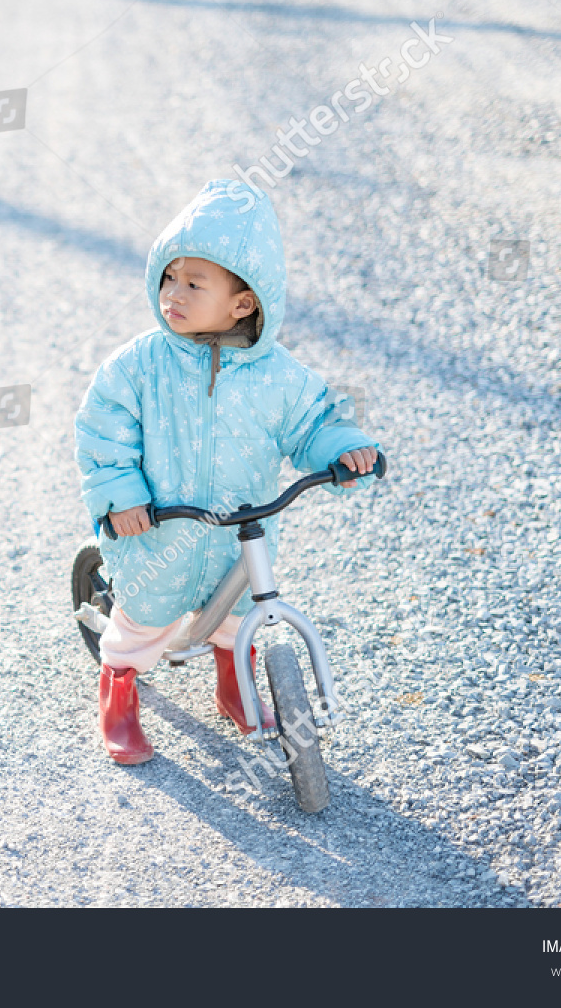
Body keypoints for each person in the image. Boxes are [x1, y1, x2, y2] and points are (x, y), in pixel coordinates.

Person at [74, 179, 381, 764]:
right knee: (142, 620)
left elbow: (314, 421)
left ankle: (234, 685)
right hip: (159, 530)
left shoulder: (279, 376)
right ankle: (118, 691)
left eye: (195, 283)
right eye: (170, 277)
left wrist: (343, 449)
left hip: (240, 533)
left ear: (244, 303)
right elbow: (103, 427)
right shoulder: (141, 364)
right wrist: (121, 495)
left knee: (238, 618)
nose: (174, 293)